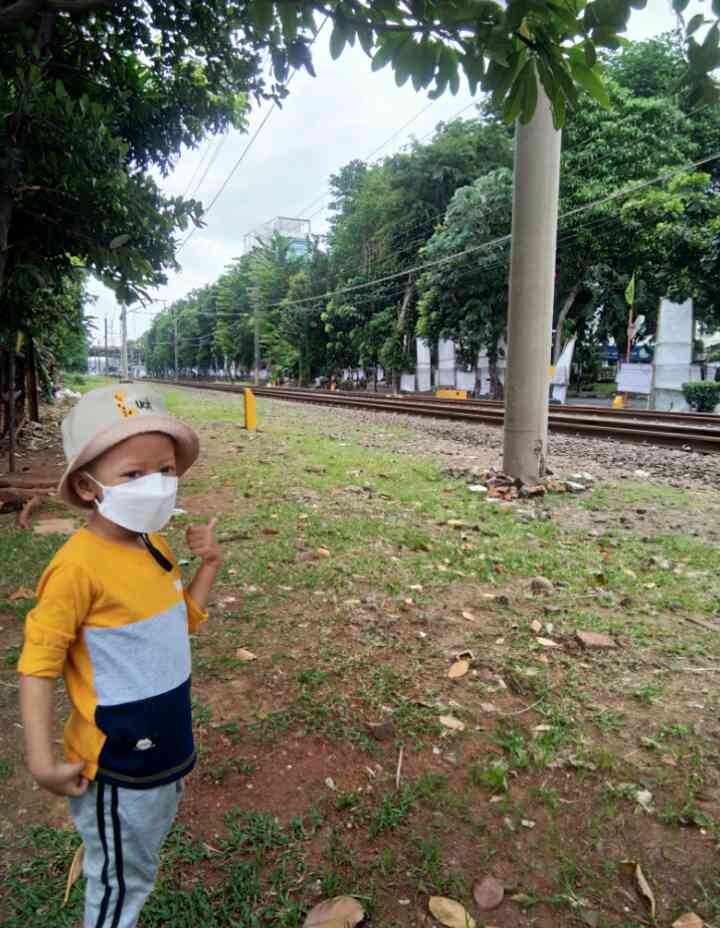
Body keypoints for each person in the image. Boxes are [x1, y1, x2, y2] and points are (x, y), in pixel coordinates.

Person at [17, 383, 221, 928]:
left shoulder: (155, 544)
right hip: (118, 763)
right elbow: (37, 665)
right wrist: (40, 761)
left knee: (139, 858)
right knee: (120, 883)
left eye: (166, 470)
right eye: (134, 475)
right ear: (88, 487)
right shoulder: (76, 568)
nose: (156, 486)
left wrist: (207, 567)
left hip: (166, 746)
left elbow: (182, 622)